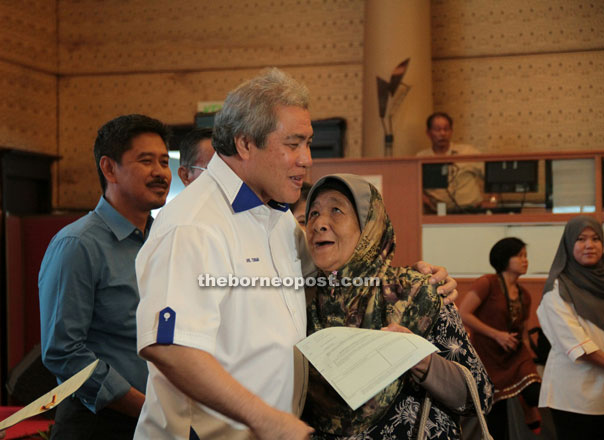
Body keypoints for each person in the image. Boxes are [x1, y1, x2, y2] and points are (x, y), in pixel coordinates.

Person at [134, 68, 457, 439]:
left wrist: (418, 279)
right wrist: (265, 418)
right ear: (244, 144)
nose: (307, 159)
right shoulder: (195, 224)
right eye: (293, 144)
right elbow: (169, 347)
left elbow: (341, 270)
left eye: (308, 143)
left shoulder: (275, 219)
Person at [301, 174, 493, 439]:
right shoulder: (299, 303)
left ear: (370, 224)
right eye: (312, 214)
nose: (319, 223)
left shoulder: (415, 292)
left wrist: (422, 360)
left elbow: (479, 397)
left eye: (336, 210)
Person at [39, 114, 171, 440]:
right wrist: (145, 406)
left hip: (160, 421)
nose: (160, 172)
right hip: (98, 424)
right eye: (146, 160)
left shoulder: (164, 241)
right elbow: (63, 352)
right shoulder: (78, 245)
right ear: (109, 168)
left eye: (165, 161)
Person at [459, 238, 541, 439]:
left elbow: (522, 329)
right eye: (519, 256)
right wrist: (497, 335)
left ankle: (529, 408)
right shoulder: (488, 282)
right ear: (504, 258)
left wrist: (530, 357)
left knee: (534, 392)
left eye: (526, 256)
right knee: (497, 419)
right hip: (488, 355)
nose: (525, 261)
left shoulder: (524, 294)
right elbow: (463, 313)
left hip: (514, 353)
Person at [537, 216, 604, 438]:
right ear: (568, 245)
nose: (589, 245)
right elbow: (578, 345)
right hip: (575, 397)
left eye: (596, 238)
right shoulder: (557, 289)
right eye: (581, 239)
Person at [417, 112, 484, 213]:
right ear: (428, 133)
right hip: (438, 214)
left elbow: (491, 175)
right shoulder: (421, 158)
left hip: (472, 212)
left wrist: (494, 198)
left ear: (451, 131)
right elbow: (411, 186)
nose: (442, 133)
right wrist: (423, 198)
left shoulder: (468, 153)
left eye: (446, 129)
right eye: (437, 129)